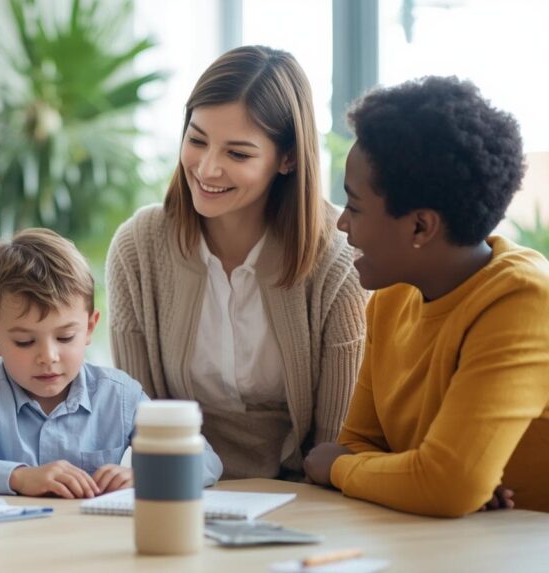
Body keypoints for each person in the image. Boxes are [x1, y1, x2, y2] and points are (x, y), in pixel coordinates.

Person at [107, 45, 368, 481]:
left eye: (238, 154)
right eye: (197, 140)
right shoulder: (138, 248)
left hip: (305, 493)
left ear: (286, 159)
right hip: (175, 484)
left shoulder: (337, 259)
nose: (207, 169)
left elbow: (335, 444)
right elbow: (138, 423)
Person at [303, 76, 549, 517]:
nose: (342, 225)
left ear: (420, 227)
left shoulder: (526, 300)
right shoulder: (392, 299)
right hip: (452, 547)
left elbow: (445, 483)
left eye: (355, 207)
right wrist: (423, 479)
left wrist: (342, 468)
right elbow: (361, 444)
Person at [0, 229, 223, 497]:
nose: (48, 356)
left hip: (91, 541)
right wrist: (19, 477)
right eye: (25, 341)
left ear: (88, 328)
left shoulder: (119, 395)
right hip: (4, 543)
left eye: (65, 337)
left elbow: (204, 459)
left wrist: (150, 475)